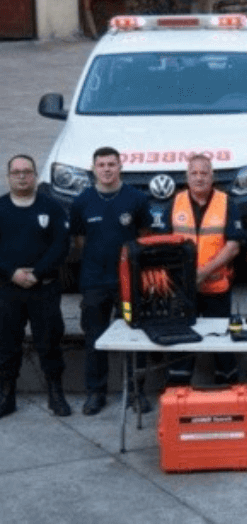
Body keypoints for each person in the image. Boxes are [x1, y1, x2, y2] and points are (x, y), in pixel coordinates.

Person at [70, 147, 152, 416]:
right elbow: (81, 241)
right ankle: (96, 393)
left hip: (128, 282)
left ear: (120, 166)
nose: (106, 169)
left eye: (111, 164)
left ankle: (137, 392)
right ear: (93, 168)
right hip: (94, 282)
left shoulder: (136, 199)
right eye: (101, 165)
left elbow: (143, 235)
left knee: (134, 336)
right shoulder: (82, 202)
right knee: (95, 337)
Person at [0, 155, 71, 418]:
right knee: (6, 345)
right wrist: (12, 273)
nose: (21, 176)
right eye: (16, 172)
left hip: (45, 289)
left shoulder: (51, 207)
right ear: (9, 176)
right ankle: (6, 396)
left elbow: (61, 245)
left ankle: (56, 394)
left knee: (50, 343)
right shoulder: (0, 208)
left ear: (35, 176)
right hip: (8, 289)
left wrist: (37, 273)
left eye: (27, 171)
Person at [165, 154, 245, 386]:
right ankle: (178, 393)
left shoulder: (227, 202)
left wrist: (202, 273)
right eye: (194, 173)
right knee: (180, 341)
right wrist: (184, 276)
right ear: (186, 177)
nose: (199, 178)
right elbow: (162, 243)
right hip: (181, 289)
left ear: (212, 176)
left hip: (216, 287)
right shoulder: (175, 202)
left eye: (204, 173)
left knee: (221, 342)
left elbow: (233, 247)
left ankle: (227, 388)